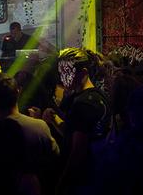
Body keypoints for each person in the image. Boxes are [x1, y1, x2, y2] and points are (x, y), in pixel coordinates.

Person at [42, 47, 110, 194]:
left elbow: (77, 151)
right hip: (98, 172)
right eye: (61, 72)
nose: (63, 77)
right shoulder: (98, 95)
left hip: (85, 178)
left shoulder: (84, 104)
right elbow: (72, 132)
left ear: (84, 73)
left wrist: (63, 182)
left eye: (68, 71)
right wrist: (54, 119)